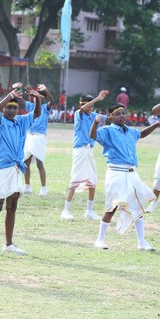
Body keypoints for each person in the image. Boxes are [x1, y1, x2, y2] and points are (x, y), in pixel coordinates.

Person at [90, 103, 160, 251]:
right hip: (116, 173)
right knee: (112, 207)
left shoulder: (130, 131)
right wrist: (95, 122)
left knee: (138, 206)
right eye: (117, 114)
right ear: (111, 117)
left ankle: (141, 242)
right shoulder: (107, 130)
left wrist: (156, 124)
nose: (122, 116)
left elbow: (141, 134)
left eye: (123, 113)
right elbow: (93, 136)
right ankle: (100, 240)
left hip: (132, 174)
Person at [0, 85, 42, 256]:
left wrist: (37, 98)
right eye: (8, 107)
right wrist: (9, 96)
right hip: (2, 169)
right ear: (4, 108)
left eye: (14, 108)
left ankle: (8, 244)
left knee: (12, 206)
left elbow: (37, 114)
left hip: (16, 168)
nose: (11, 111)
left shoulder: (20, 122)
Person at [61, 90, 109, 221]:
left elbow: (109, 119)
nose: (91, 108)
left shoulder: (95, 116)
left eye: (92, 106)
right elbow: (83, 109)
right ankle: (65, 210)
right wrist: (98, 98)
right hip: (80, 151)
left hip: (89, 151)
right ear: (82, 105)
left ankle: (89, 211)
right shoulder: (79, 114)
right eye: (89, 105)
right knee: (75, 179)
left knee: (92, 180)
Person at [23, 84, 55, 196]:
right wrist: (17, 89)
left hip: (39, 137)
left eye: (39, 97)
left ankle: (43, 188)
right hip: (29, 135)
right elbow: (20, 101)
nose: (36, 99)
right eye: (34, 96)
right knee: (26, 162)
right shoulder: (31, 106)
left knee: (39, 163)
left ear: (43, 99)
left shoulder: (45, 107)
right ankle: (27, 186)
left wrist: (46, 90)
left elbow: (52, 101)